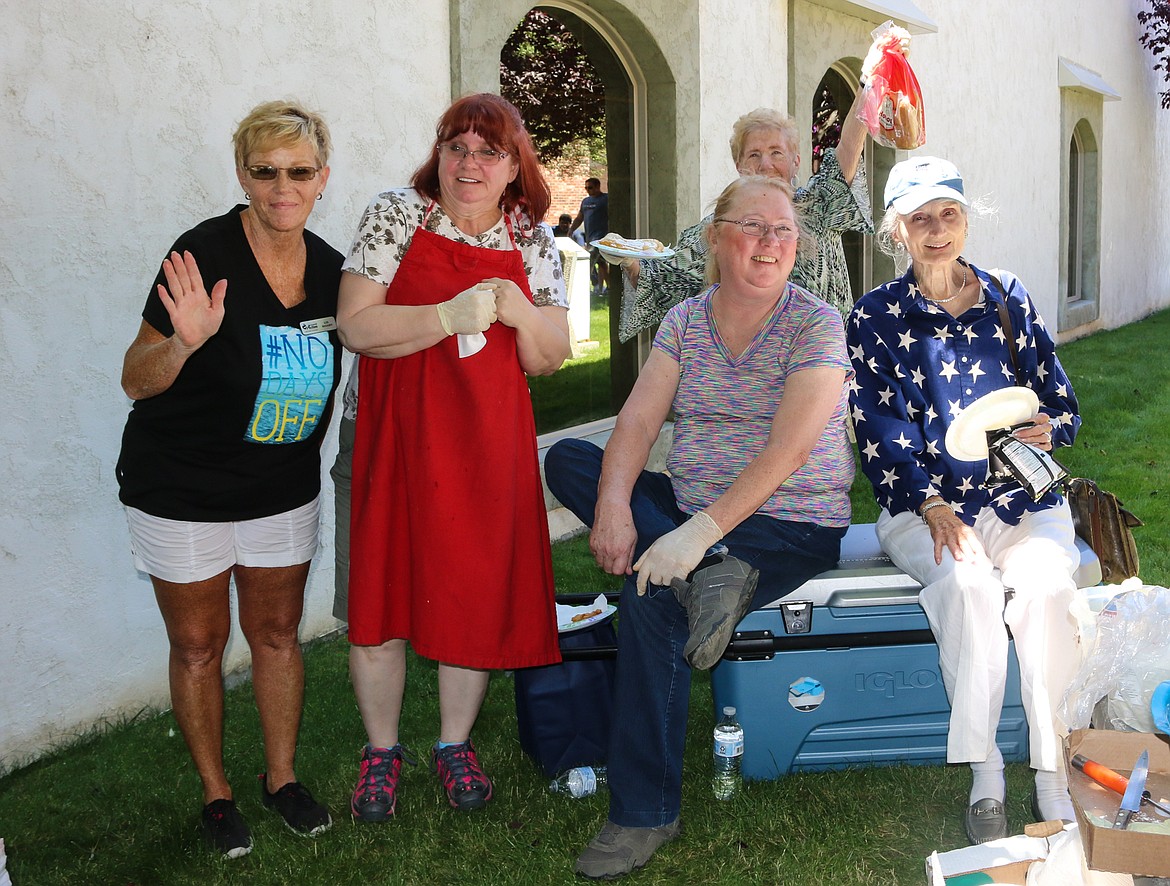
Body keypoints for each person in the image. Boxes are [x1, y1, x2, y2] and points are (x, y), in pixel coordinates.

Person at [545, 175, 855, 879]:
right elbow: (639, 419)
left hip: (788, 520)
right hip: (690, 512)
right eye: (752, 227)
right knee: (570, 458)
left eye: (782, 230)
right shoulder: (685, 321)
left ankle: (643, 812)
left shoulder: (815, 324)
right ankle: (712, 571)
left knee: (652, 597)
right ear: (716, 239)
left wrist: (694, 535)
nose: (769, 243)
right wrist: (619, 504)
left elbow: (790, 450)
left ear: (797, 244)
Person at [336, 93, 570, 822]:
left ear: (513, 167)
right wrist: (443, 317)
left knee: (467, 590)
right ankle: (381, 752)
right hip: (391, 437)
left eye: (488, 152)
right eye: (456, 147)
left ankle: (453, 743)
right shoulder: (397, 215)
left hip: (482, 446)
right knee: (382, 595)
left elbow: (551, 356)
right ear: (438, 155)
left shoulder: (531, 238)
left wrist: (519, 311)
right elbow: (356, 325)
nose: (470, 164)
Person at [116, 101, 339, 858]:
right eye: (265, 171)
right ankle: (217, 795)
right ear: (242, 175)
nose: (283, 186)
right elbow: (135, 380)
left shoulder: (337, 273)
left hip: (280, 488)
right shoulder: (200, 253)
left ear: (322, 179)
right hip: (182, 490)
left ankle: (282, 779)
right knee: (199, 646)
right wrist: (181, 346)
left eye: (299, 171)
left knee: (277, 634)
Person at [846, 157, 1083, 844]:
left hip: (1016, 496)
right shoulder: (876, 316)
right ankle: (986, 776)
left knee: (1043, 590)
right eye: (919, 218)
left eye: (947, 213)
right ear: (897, 231)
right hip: (921, 505)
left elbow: (1061, 402)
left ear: (966, 218)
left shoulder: (1009, 296)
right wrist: (931, 505)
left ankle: (1049, 773)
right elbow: (876, 432)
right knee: (970, 587)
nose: (937, 229)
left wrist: (1050, 427)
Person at [617, 29, 912, 341]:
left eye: (776, 153)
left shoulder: (818, 205)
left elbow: (849, 147)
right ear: (739, 165)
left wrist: (871, 79)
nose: (766, 164)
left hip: (823, 363)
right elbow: (661, 281)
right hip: (750, 373)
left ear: (796, 162)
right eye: (754, 154)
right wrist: (625, 259)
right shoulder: (720, 229)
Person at [570, 176, 610, 294]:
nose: (588, 190)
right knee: (601, 264)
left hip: (601, 238)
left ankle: (592, 287)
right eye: (586, 188)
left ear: (598, 187)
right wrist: (571, 229)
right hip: (589, 237)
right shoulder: (585, 202)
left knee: (589, 262)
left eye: (591, 187)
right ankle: (605, 288)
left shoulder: (605, 199)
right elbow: (579, 217)